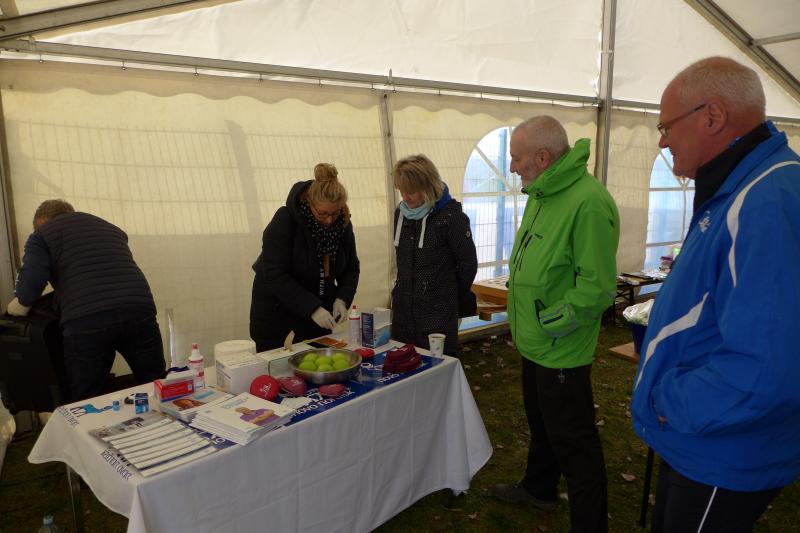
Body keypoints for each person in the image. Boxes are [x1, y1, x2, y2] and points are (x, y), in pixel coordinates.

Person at [631, 57, 800, 531]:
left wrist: (667, 401)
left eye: (666, 127)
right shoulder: (742, 186)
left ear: (712, 116)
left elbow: (766, 368)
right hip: (703, 435)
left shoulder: (764, 201)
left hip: (723, 445)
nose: (663, 141)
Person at [491, 116, 619, 532]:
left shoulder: (588, 202)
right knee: (542, 424)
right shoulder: (543, 192)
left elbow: (597, 286)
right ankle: (539, 488)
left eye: (516, 158)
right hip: (534, 340)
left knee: (575, 442)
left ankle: (590, 525)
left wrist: (553, 322)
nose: (512, 167)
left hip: (560, 345)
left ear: (543, 157)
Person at [6, 199, 166, 401]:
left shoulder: (42, 235)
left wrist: (19, 305)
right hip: (138, 310)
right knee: (156, 384)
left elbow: (32, 279)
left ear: (42, 222)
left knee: (87, 398)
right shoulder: (109, 228)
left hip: (87, 320)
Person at [250, 163, 360, 351]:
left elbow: (351, 267)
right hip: (278, 319)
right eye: (322, 214)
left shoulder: (342, 223)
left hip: (318, 319)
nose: (329, 220)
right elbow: (273, 273)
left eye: (334, 213)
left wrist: (342, 298)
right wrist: (312, 308)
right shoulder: (285, 220)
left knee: (319, 362)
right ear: (309, 203)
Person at [390, 154, 478, 355]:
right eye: (402, 190)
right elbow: (402, 260)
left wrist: (446, 295)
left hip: (437, 317)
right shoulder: (401, 214)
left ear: (428, 187)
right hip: (404, 313)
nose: (405, 196)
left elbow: (468, 264)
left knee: (437, 366)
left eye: (411, 191)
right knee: (403, 364)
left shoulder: (451, 217)